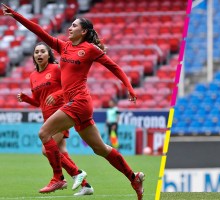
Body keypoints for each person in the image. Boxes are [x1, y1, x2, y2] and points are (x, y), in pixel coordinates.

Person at [2, 4, 144, 199]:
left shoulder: (90, 49)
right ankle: (133, 177)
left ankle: (59, 177)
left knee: (44, 133)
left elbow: (115, 67)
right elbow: (39, 31)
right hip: (77, 106)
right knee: (101, 149)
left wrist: (129, 87)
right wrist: (15, 15)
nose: (69, 28)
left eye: (74, 26)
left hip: (80, 102)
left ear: (83, 31)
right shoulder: (64, 47)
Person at [17, 42, 94, 195]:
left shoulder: (56, 68)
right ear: (33, 56)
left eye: (42, 52)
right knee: (62, 152)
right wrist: (26, 99)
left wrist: (57, 94)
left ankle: (69, 176)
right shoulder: (33, 76)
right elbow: (39, 101)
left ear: (49, 54)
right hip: (48, 119)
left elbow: (69, 87)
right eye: (36, 52)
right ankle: (86, 186)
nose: (39, 54)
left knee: (46, 150)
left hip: (62, 115)